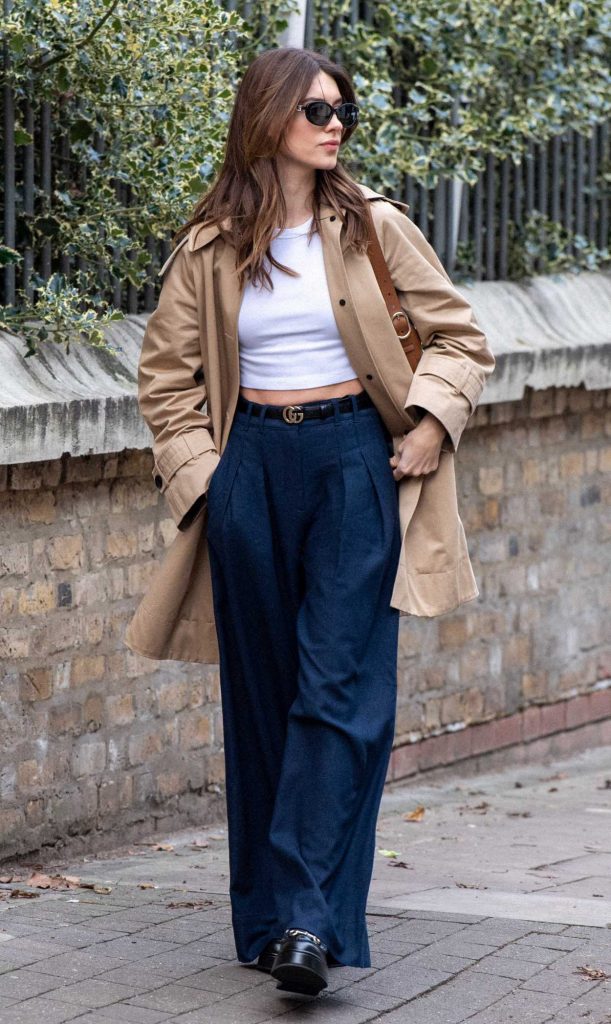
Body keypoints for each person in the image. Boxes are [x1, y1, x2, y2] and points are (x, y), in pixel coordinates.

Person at [125, 46, 495, 998]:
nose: (334, 124)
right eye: (317, 110)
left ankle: (305, 920)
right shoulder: (208, 247)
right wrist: (206, 483)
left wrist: (427, 423)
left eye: (344, 111)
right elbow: (166, 379)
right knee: (263, 699)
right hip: (250, 470)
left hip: (351, 466)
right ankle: (269, 924)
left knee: (340, 692)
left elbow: (460, 335)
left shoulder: (373, 227)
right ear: (268, 119)